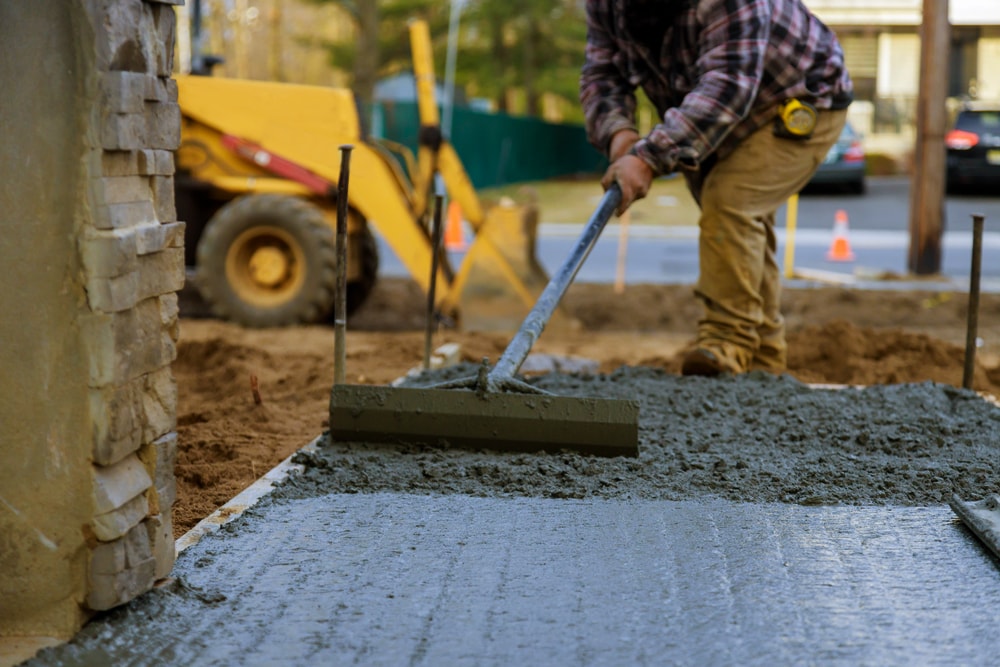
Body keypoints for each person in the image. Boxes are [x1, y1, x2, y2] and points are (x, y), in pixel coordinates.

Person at [580, 0, 853, 376]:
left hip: (798, 99)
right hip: (709, 111)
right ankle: (763, 366)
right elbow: (602, 72)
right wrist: (618, 134)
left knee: (729, 205)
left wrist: (647, 158)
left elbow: (726, 87)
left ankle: (729, 343)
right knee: (740, 231)